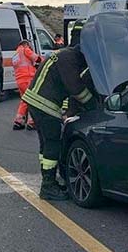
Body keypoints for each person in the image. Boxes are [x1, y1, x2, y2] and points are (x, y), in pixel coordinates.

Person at [22, 25, 96, 200]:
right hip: (44, 104)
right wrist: (93, 104)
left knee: (46, 144)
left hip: (36, 102)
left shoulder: (64, 54)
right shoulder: (70, 59)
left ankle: (49, 181)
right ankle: (48, 186)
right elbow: (75, 88)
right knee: (53, 142)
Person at [11, 39, 40, 130]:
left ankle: (19, 121)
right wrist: (42, 62)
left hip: (20, 80)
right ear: (26, 44)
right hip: (28, 78)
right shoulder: (25, 49)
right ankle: (32, 122)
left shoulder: (15, 54)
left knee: (24, 101)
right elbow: (36, 58)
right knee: (33, 100)